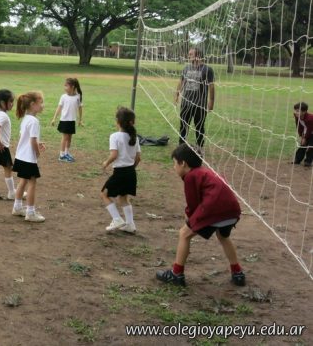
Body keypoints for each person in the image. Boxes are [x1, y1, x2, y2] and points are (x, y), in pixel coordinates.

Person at [157, 144, 246, 287]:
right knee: (223, 236)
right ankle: (238, 273)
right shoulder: (207, 172)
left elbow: (193, 203)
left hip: (214, 210)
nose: (174, 167)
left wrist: (189, 217)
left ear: (183, 163)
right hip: (232, 210)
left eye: (174, 163)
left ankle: (176, 274)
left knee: (184, 234)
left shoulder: (191, 176)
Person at [101, 107, 141, 233]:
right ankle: (130, 225)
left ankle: (117, 219)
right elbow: (138, 158)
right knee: (123, 198)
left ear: (117, 121)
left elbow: (114, 155)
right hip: (131, 173)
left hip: (120, 173)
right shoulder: (135, 137)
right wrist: (131, 169)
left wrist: (106, 163)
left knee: (104, 194)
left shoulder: (115, 136)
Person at [12, 92, 46, 222]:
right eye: (40, 103)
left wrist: (37, 143)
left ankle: (17, 207)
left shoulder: (26, 118)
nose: (43, 105)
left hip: (21, 156)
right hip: (28, 158)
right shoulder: (34, 121)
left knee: (23, 182)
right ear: (32, 104)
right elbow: (32, 141)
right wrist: (37, 152)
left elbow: (25, 138)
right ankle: (30, 213)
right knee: (32, 183)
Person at [175, 48, 215, 152]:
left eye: (191, 54)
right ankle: (181, 146)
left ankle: (200, 148)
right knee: (183, 126)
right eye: (189, 54)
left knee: (200, 127)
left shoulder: (207, 69)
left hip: (199, 105)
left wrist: (211, 102)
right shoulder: (186, 68)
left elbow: (211, 87)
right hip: (186, 103)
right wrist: (177, 95)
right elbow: (181, 82)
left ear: (198, 55)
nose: (189, 56)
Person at [50, 77, 83, 162]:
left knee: (70, 137)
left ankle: (66, 153)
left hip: (72, 120)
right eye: (64, 85)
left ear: (72, 87)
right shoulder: (63, 97)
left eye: (66, 86)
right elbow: (59, 107)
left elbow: (80, 108)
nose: (64, 87)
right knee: (65, 137)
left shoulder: (78, 97)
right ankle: (61, 155)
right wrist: (54, 118)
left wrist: (80, 120)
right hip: (64, 120)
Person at [293, 101, 313, 166]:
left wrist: (305, 138)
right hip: (308, 132)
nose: (296, 112)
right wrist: (301, 136)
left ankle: (308, 162)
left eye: (298, 111)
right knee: (302, 145)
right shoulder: (297, 116)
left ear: (304, 112)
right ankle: (297, 160)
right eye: (295, 110)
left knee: (310, 147)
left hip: (311, 132)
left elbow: (309, 129)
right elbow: (299, 126)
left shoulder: (310, 119)